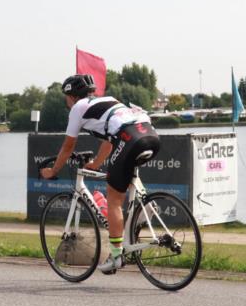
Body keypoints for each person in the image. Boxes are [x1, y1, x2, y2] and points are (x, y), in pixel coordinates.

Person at [38, 74, 161, 274]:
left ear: (71, 96)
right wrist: (96, 163)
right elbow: (110, 140)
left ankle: (116, 256)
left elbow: (68, 146)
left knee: (113, 198)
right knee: (125, 176)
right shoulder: (109, 100)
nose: (66, 101)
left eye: (66, 97)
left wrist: (53, 170)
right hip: (150, 135)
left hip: (130, 137)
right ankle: (144, 208)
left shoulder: (78, 108)